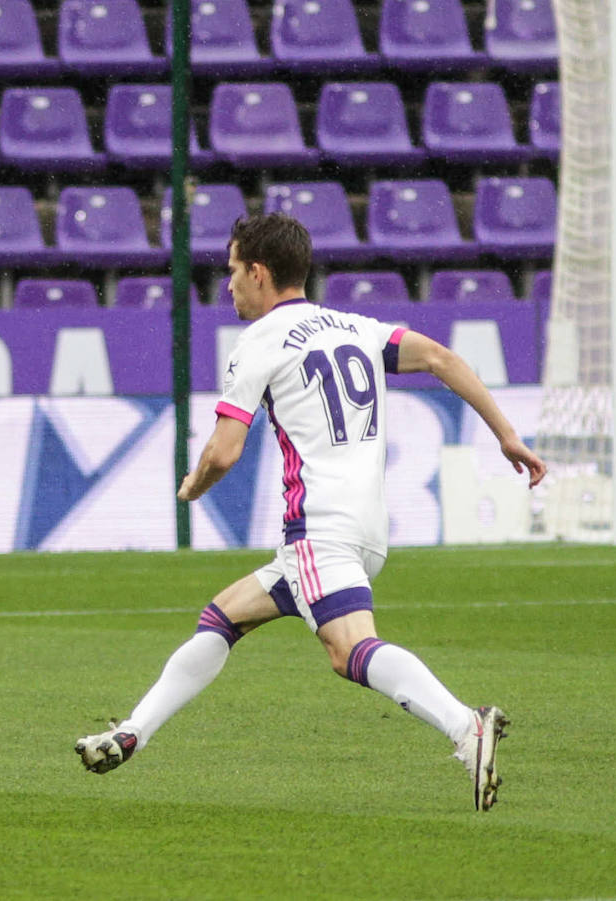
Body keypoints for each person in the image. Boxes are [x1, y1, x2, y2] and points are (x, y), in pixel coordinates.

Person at [74, 214, 546, 811]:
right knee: (223, 617)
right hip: (367, 527)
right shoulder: (356, 327)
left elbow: (225, 450)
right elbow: (442, 359)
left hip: (319, 528)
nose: (229, 286)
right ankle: (130, 733)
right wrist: (506, 434)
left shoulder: (261, 342)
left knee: (348, 649)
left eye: (232, 271)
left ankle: (464, 726)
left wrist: (194, 484)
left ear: (259, 272)